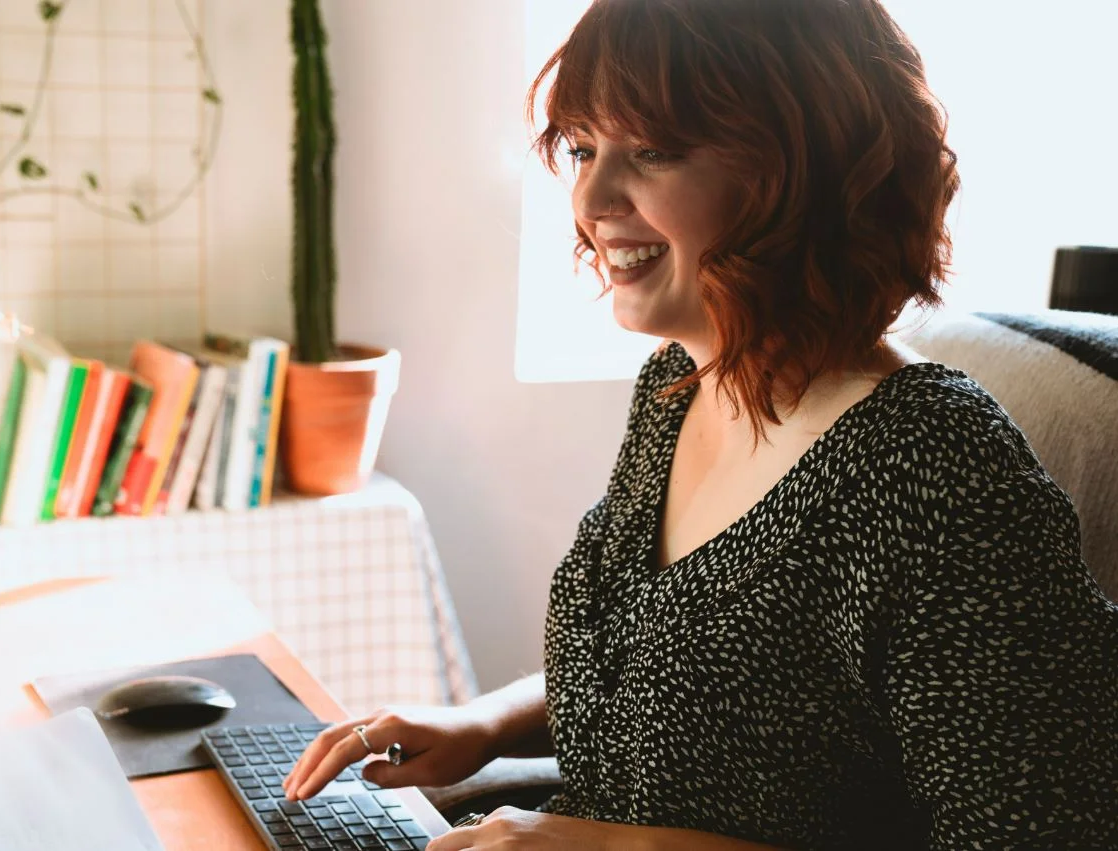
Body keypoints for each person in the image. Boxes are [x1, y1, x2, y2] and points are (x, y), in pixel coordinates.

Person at [283, 0, 1118, 848]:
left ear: (802, 170)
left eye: (651, 150)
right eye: (581, 148)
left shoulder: (935, 467)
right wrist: (482, 723)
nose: (592, 196)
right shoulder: (677, 383)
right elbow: (671, 666)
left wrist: (620, 845)